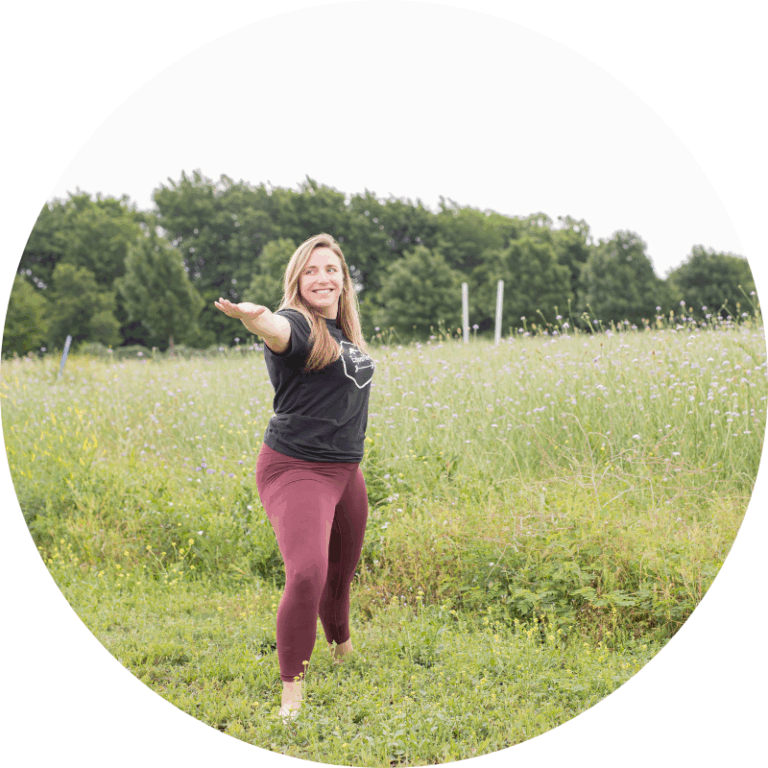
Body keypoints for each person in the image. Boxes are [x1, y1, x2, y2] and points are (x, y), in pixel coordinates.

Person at [214, 233, 375, 722]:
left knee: (341, 570)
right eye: (311, 271)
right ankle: (292, 690)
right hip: (297, 468)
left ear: (343, 278)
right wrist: (255, 317)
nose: (322, 279)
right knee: (307, 572)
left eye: (331, 269)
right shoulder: (299, 324)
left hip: (345, 469)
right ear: (297, 281)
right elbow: (277, 329)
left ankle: (342, 647)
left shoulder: (343, 333)